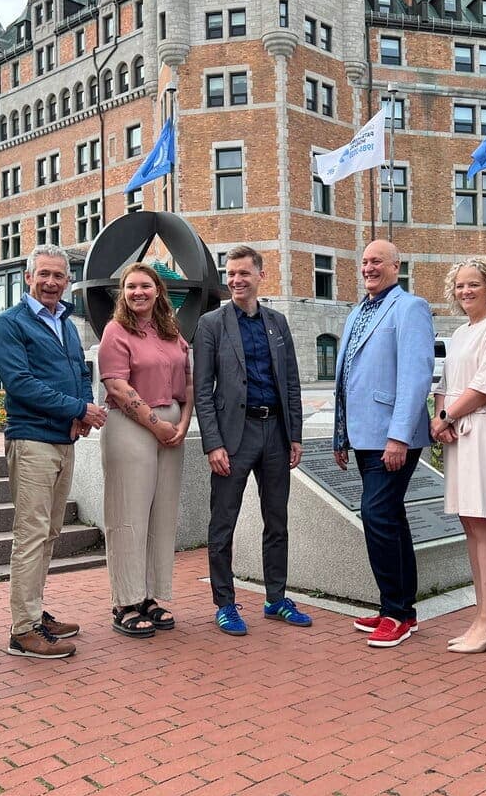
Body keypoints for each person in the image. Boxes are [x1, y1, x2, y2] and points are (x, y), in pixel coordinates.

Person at [0, 245, 105, 659]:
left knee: (50, 532)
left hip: (63, 439)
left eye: (59, 276)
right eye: (44, 274)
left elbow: (80, 372)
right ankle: (22, 631)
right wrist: (77, 408)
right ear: (28, 277)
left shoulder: (66, 323)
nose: (51, 282)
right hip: (32, 440)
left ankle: (34, 614)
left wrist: (83, 412)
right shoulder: (10, 323)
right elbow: (20, 383)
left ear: (67, 281)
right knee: (31, 534)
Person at [193, 246, 309, 636]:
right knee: (222, 523)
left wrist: (295, 435)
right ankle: (225, 604)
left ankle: (276, 598)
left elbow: (291, 383)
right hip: (233, 437)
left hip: (275, 433)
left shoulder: (277, 322)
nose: (236, 280)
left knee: (277, 521)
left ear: (261, 275)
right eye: (231, 273)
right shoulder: (211, 324)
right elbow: (202, 390)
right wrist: (213, 443)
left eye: (244, 273)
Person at [334, 240, 434, 649]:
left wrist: (398, 436)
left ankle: (396, 613)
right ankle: (399, 608)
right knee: (389, 517)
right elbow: (345, 379)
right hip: (363, 435)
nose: (368, 268)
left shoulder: (410, 308)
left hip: (393, 437)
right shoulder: (358, 311)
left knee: (377, 515)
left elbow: (416, 375)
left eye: (377, 261)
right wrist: (341, 435)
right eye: (364, 261)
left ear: (396, 266)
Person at [99, 263, 193, 638]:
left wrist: (183, 424)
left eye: (145, 286)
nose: (138, 292)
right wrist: (157, 425)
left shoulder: (171, 331)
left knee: (162, 516)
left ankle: (151, 595)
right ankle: (126, 601)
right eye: (131, 286)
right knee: (128, 515)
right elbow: (117, 387)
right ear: (123, 293)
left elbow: (188, 380)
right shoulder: (115, 331)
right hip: (132, 426)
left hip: (172, 427)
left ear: (158, 291)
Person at [429, 257, 486, 653]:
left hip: (482, 428)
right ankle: (483, 618)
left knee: (485, 520)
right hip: (457, 431)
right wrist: (440, 418)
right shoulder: (460, 333)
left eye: (474, 284)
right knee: (469, 522)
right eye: (460, 285)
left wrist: (447, 416)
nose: (466, 291)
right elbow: (444, 383)